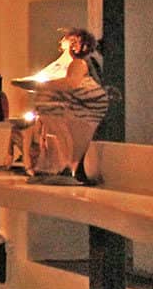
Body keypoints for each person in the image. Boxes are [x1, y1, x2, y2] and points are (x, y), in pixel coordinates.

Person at [24, 28, 110, 181]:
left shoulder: (78, 64)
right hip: (85, 109)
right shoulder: (83, 64)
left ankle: (70, 167)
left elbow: (71, 83)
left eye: (71, 43)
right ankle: (73, 169)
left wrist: (42, 86)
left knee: (65, 134)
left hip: (85, 109)